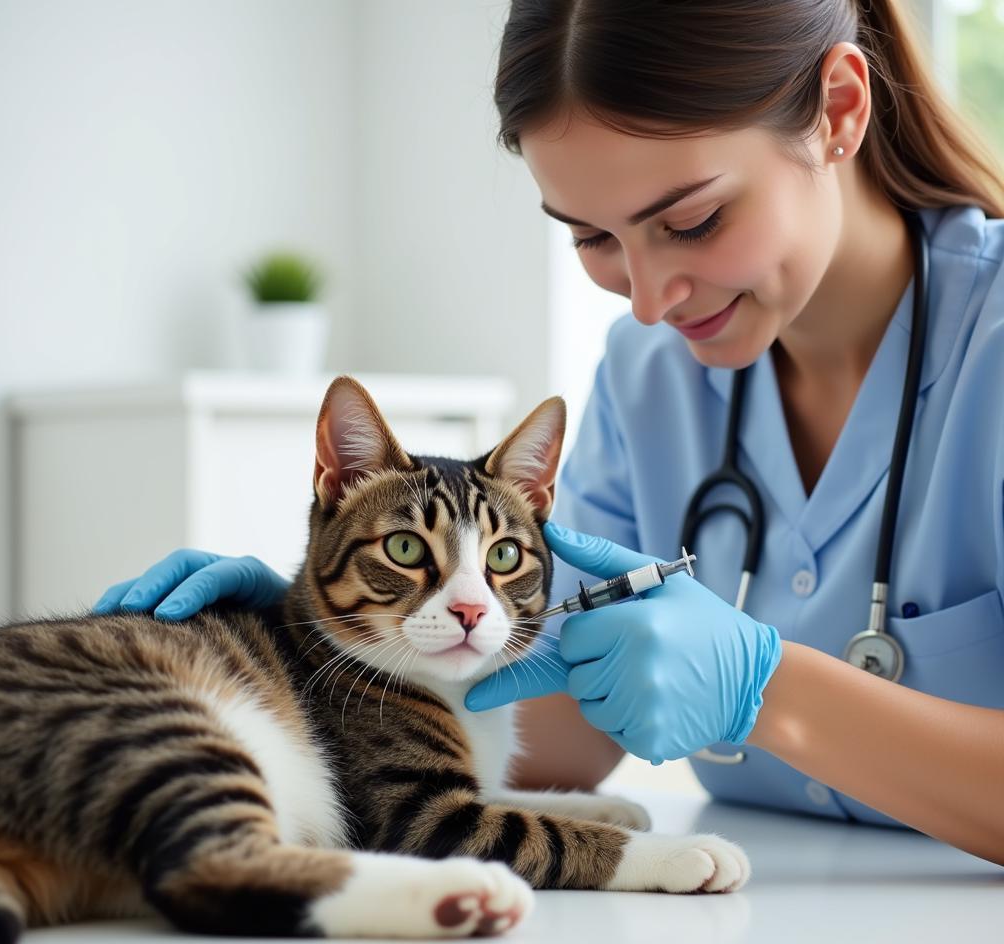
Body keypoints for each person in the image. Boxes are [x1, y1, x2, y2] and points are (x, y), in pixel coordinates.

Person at [95, 0, 1004, 865]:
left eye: (691, 221)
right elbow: (553, 734)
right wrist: (324, 661)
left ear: (838, 109)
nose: (648, 302)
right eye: (592, 238)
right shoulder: (648, 378)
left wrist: (768, 694)